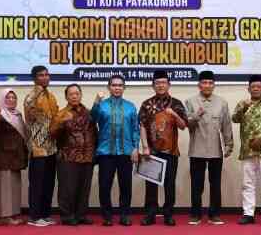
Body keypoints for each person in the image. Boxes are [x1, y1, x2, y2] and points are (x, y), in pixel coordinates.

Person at [139, 69, 187, 226]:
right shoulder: (147, 104)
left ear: (169, 85)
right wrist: (145, 147)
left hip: (171, 151)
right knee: (151, 184)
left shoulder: (176, 103)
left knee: (169, 184)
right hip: (151, 151)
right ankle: (150, 214)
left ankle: (168, 214)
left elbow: (183, 126)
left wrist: (174, 114)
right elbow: (142, 126)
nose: (160, 85)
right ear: (153, 85)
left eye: (163, 83)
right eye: (157, 83)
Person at [184, 70, 233, 225]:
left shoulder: (222, 102)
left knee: (215, 184)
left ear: (214, 85)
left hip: (215, 149)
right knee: (196, 184)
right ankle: (195, 214)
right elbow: (186, 124)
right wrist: (196, 115)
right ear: (199, 85)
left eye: (210, 83)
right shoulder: (190, 101)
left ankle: (215, 214)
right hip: (197, 149)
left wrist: (229, 144)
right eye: (204, 83)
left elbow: (226, 125)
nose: (207, 85)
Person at [90, 75, 140, 226]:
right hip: (106, 152)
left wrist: (135, 148)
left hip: (126, 152)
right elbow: (92, 120)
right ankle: (107, 216)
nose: (117, 88)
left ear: (124, 88)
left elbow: (135, 129)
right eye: (114, 85)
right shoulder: (101, 105)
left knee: (126, 186)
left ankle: (125, 215)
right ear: (109, 87)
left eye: (120, 85)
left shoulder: (131, 106)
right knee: (104, 185)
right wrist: (96, 102)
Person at [233, 75, 261, 226]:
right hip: (248, 151)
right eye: (253, 87)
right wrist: (243, 108)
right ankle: (248, 213)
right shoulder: (243, 104)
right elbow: (235, 119)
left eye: (259, 86)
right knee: (248, 183)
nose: (256, 89)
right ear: (248, 89)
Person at [51, 84, 96, 226]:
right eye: (71, 94)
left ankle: (81, 215)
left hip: (87, 156)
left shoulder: (88, 113)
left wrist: (94, 153)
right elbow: (52, 134)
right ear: (66, 97)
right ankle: (67, 215)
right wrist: (61, 123)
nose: (74, 96)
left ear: (81, 95)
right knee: (67, 188)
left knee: (84, 188)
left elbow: (94, 133)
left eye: (77, 93)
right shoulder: (61, 114)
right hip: (68, 156)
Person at [24, 65, 59, 227]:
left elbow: (55, 117)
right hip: (38, 147)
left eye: (46, 74)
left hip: (51, 146)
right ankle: (34, 216)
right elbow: (30, 115)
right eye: (41, 75)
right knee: (37, 183)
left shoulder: (51, 96)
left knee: (48, 182)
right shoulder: (31, 96)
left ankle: (45, 214)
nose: (45, 77)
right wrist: (37, 93)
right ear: (34, 78)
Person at [0, 89, 29, 225]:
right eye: (8, 97)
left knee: (14, 186)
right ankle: (3, 216)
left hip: (16, 157)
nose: (11, 100)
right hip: (3, 156)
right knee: (4, 187)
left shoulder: (17, 114)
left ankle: (13, 213)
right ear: (3, 99)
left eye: (14, 97)